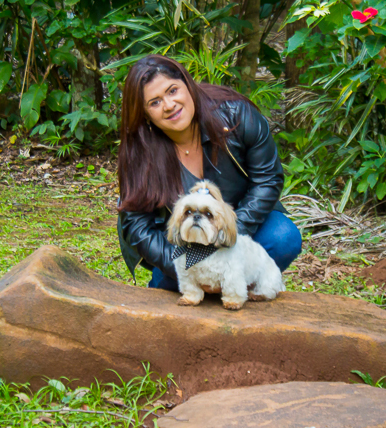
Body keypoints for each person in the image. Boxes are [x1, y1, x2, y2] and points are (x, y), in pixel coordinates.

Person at [116, 54, 302, 291]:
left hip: (240, 231)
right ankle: (183, 286)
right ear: (145, 114)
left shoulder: (237, 115)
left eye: (172, 91)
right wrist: (185, 266)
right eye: (154, 102)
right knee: (171, 299)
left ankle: (235, 285)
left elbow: (267, 180)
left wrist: (227, 239)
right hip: (184, 249)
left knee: (283, 237)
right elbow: (137, 225)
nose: (169, 105)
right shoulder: (140, 150)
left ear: (187, 83)